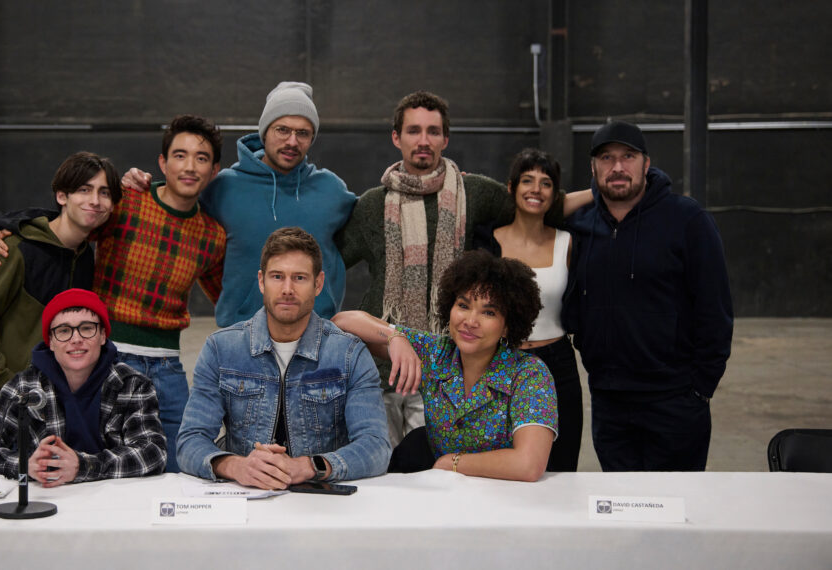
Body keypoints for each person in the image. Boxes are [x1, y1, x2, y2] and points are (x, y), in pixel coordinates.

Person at [337, 91, 587, 448]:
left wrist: (603, 192)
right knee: (384, 475)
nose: (423, 141)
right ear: (396, 138)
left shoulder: (473, 192)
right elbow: (329, 264)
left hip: (444, 368)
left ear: (445, 139)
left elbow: (535, 203)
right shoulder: (371, 205)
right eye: (413, 131)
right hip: (382, 371)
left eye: (433, 131)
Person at [0, 115, 227, 472]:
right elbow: (66, 224)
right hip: (110, 359)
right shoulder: (127, 201)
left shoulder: (212, 234)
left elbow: (228, 299)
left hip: (168, 367)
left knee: (180, 468)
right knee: (107, 468)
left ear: (214, 170)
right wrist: (9, 227)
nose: (189, 166)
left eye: (201, 158)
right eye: (179, 155)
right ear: (162, 162)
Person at [563, 120, 733, 471]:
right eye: (606, 158)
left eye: (629, 156)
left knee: (675, 513)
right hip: (609, 402)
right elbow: (527, 206)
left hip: (675, 401)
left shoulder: (687, 219)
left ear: (646, 163)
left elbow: (715, 310)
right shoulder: (581, 225)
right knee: (623, 513)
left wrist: (701, 389)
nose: (618, 167)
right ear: (593, 169)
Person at [123, 81, 356, 327]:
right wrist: (142, 185)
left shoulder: (331, 189)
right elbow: (177, 206)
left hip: (317, 334)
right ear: (265, 131)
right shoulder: (223, 188)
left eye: (303, 133)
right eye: (282, 130)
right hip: (240, 336)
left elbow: (371, 224)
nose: (292, 141)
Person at [176, 227, 390, 489]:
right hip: (246, 499)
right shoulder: (222, 349)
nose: (287, 289)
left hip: (320, 504)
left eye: (299, 278)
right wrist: (236, 466)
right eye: (277, 276)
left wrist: (309, 466)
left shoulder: (348, 353)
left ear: (319, 283)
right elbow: (190, 441)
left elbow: (376, 446)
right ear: (261, 281)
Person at [333, 251, 557, 482]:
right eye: (463, 305)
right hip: (445, 497)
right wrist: (394, 336)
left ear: (507, 326)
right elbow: (341, 323)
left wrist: (452, 462)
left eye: (488, 312)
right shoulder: (436, 353)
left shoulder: (529, 374)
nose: (470, 321)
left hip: (506, 500)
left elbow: (528, 465)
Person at [0, 151, 121, 428]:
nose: (95, 200)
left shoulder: (85, 257)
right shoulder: (16, 249)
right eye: (84, 189)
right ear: (61, 197)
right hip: (0, 413)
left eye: (104, 193)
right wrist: (8, 388)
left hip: (52, 414)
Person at [0, 288, 167, 486]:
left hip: (109, 504)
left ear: (103, 335)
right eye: (64, 331)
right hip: (47, 499)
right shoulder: (25, 386)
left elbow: (153, 452)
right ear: (50, 341)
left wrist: (84, 466)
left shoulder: (132, 385)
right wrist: (25, 464)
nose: (76, 339)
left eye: (87, 328)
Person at [472, 148, 582, 472]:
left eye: (546, 183)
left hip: (558, 364)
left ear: (555, 194)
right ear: (511, 188)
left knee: (561, 467)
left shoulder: (568, 242)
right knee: (502, 463)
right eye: (527, 180)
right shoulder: (488, 241)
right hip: (502, 361)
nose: (536, 189)